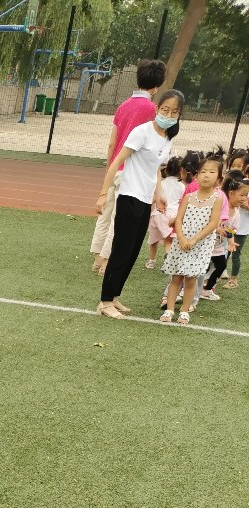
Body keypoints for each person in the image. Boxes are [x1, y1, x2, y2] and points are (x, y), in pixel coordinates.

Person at [95, 89, 183, 318]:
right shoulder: (142, 132)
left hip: (145, 201)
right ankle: (105, 301)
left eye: (174, 112)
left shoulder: (167, 138)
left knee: (133, 252)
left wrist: (159, 193)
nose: (168, 115)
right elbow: (117, 161)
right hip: (129, 197)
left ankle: (114, 296)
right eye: (165, 110)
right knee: (121, 251)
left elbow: (155, 169)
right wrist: (103, 193)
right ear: (157, 109)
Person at [90, 59, 167, 274]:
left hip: (115, 168)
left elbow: (112, 143)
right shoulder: (152, 110)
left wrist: (109, 169)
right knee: (120, 219)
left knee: (106, 215)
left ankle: (97, 258)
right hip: (132, 172)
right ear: (157, 86)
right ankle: (107, 262)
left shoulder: (123, 106)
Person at [161, 151, 224, 324]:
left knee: (191, 280)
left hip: (200, 246)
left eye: (211, 172)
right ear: (196, 175)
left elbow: (213, 223)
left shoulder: (217, 199)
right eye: (203, 171)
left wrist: (194, 240)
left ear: (219, 179)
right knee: (175, 278)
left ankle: (184, 311)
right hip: (181, 243)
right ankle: (169, 310)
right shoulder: (188, 197)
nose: (206, 175)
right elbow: (178, 219)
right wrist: (181, 238)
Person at [201, 173, 247, 299]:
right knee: (202, 267)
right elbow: (208, 223)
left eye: (246, 195)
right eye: (241, 195)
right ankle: (187, 289)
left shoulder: (236, 213)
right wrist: (217, 229)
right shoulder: (220, 207)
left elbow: (232, 230)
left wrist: (231, 241)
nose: (244, 199)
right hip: (206, 244)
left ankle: (207, 290)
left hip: (218, 246)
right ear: (231, 193)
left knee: (221, 265)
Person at [146, 156, 185, 267]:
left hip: (157, 214)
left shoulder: (161, 184)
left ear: (166, 169)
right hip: (172, 215)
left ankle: (151, 261)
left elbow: (154, 198)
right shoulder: (181, 186)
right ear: (181, 171)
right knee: (169, 239)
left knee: (153, 240)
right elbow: (182, 201)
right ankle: (168, 254)